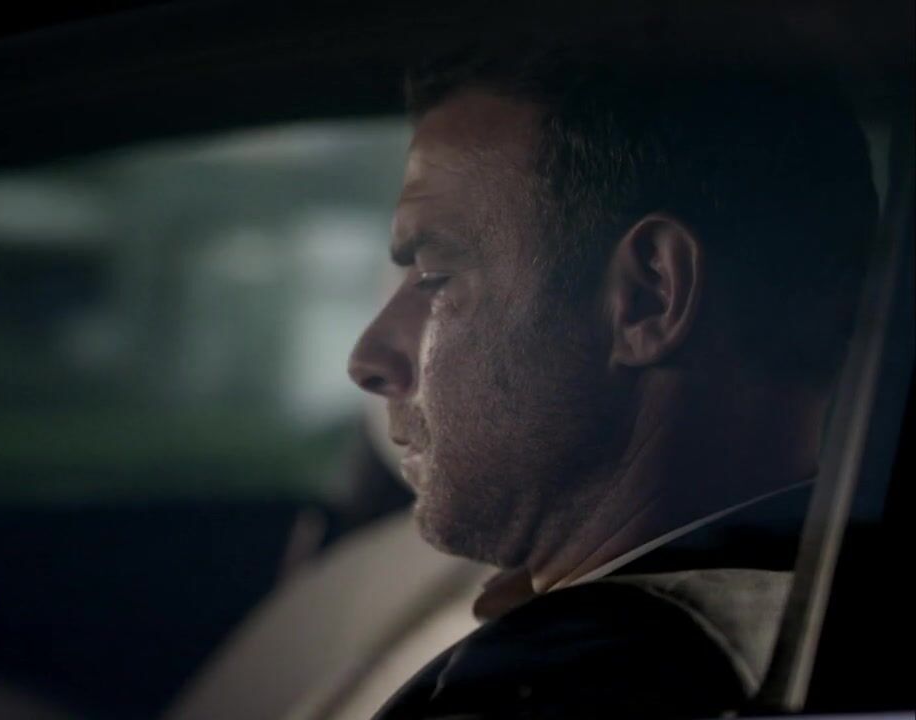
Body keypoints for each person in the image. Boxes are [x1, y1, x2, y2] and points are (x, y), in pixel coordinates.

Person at [346, 42, 877, 719]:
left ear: (649, 296)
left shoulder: (563, 682)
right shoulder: (839, 617)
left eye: (434, 277)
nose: (367, 358)